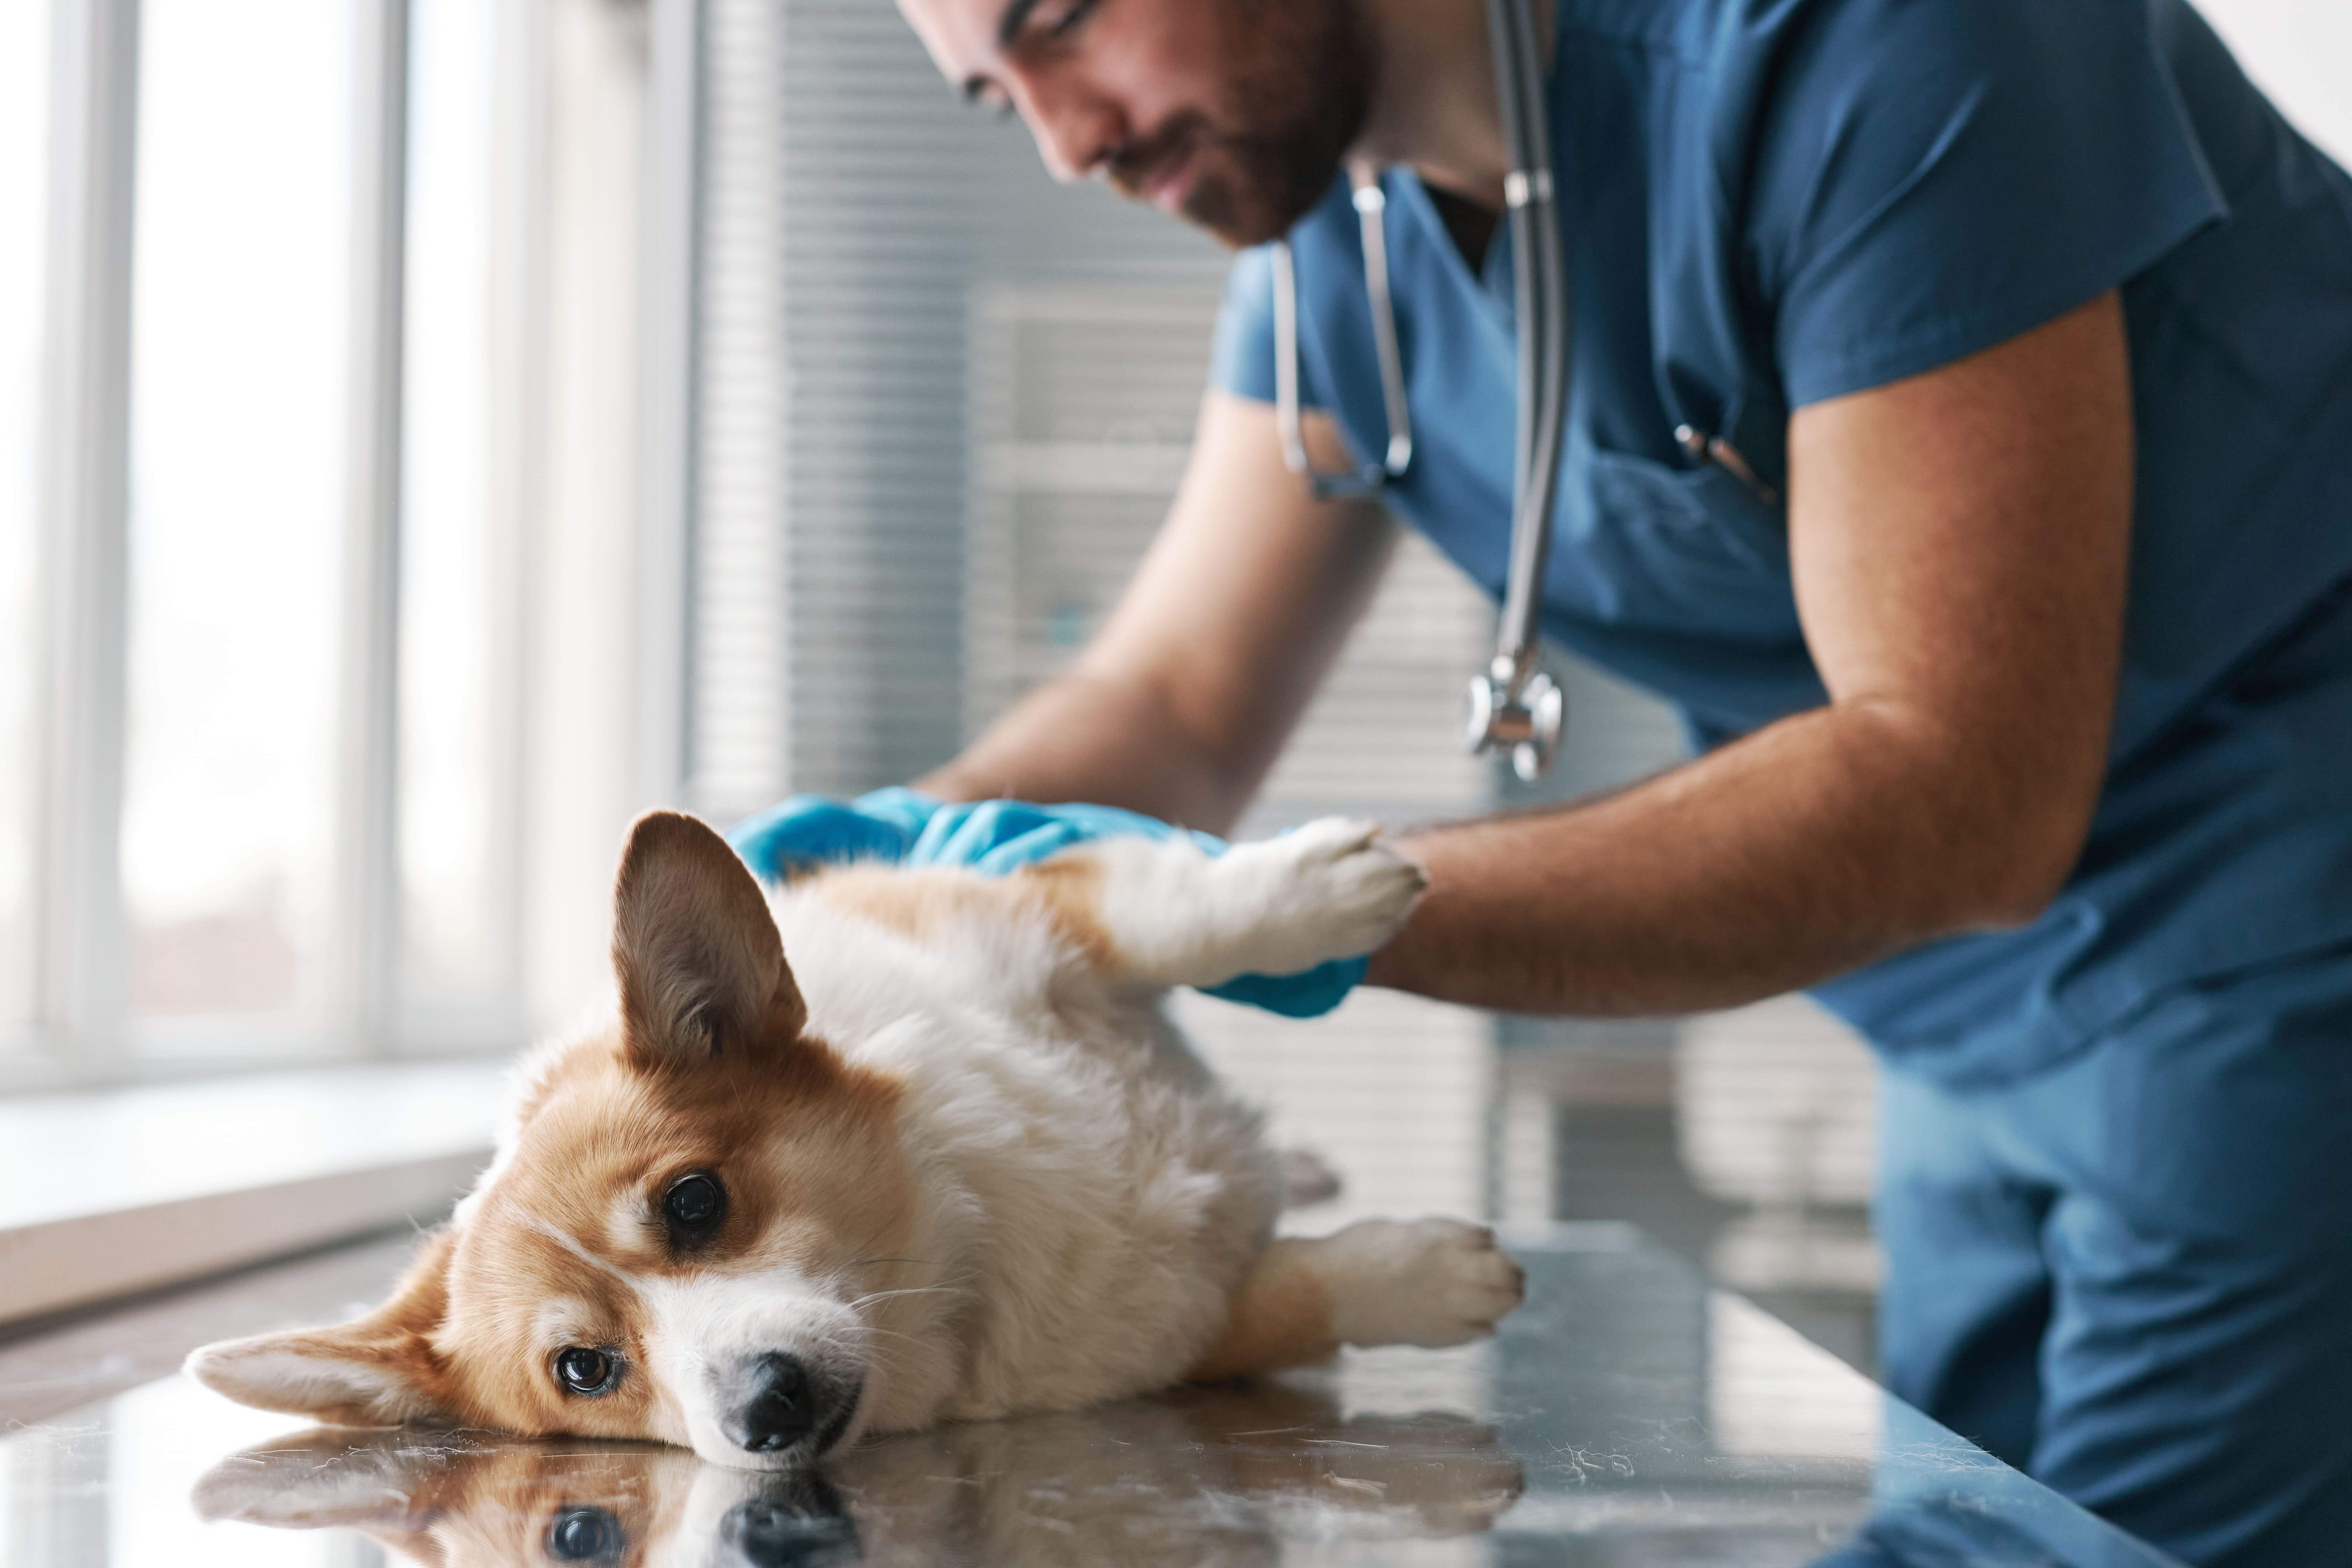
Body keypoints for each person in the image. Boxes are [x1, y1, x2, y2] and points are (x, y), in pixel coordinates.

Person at [732, 0, 2352, 1560]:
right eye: (991, 94)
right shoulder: (1333, 227)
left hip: (2282, 913)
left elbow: (1963, 787)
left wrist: (1284, 916)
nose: (1065, 144)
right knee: (1974, 1529)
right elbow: (1171, 695)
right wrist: (860, 891)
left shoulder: (1883, 40)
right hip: (1951, 1006)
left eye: (1064, 19)